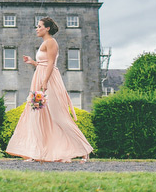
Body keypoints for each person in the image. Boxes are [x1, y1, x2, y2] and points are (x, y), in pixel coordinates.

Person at [6, 17, 93, 162]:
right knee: (38, 116)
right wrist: (33, 62)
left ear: (47, 28)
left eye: (39, 26)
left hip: (49, 79)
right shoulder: (45, 43)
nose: (37, 28)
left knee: (58, 115)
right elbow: (44, 63)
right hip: (40, 76)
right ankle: (37, 152)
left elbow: (51, 64)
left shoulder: (51, 42)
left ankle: (84, 150)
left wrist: (45, 81)